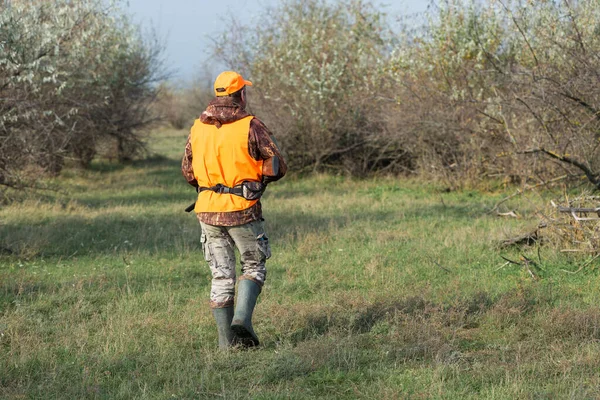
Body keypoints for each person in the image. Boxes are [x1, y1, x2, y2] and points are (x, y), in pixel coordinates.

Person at [182, 71, 287, 349]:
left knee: (221, 274)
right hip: (242, 209)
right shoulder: (250, 125)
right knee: (253, 265)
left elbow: (188, 172)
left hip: (207, 211)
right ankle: (243, 319)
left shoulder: (197, 127)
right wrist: (256, 177)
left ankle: (225, 345)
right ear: (241, 94)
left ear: (218, 95)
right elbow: (277, 165)